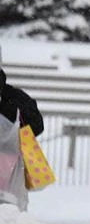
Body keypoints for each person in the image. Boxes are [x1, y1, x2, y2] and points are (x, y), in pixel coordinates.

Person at [0, 67, 44, 211]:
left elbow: (37, 125)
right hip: (11, 177)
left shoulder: (13, 99)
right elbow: (37, 126)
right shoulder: (15, 98)